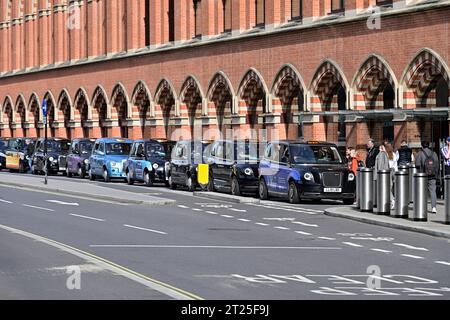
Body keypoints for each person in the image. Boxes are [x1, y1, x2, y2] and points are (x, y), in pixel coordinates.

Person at [415, 141, 439, 214]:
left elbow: (417, 165)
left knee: (422, 191)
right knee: (433, 191)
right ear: (428, 146)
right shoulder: (434, 153)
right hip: (433, 175)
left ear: (422, 146)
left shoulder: (420, 153)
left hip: (423, 176)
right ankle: (434, 207)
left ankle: (423, 206)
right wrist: (436, 175)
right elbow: (437, 165)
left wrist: (419, 173)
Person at [374, 144, 395, 209]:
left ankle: (392, 201)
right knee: (389, 188)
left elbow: (380, 165)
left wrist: (379, 175)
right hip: (391, 173)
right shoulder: (392, 154)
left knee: (386, 188)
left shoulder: (382, 154)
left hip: (384, 174)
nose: (379, 148)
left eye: (381, 147)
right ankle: (391, 201)